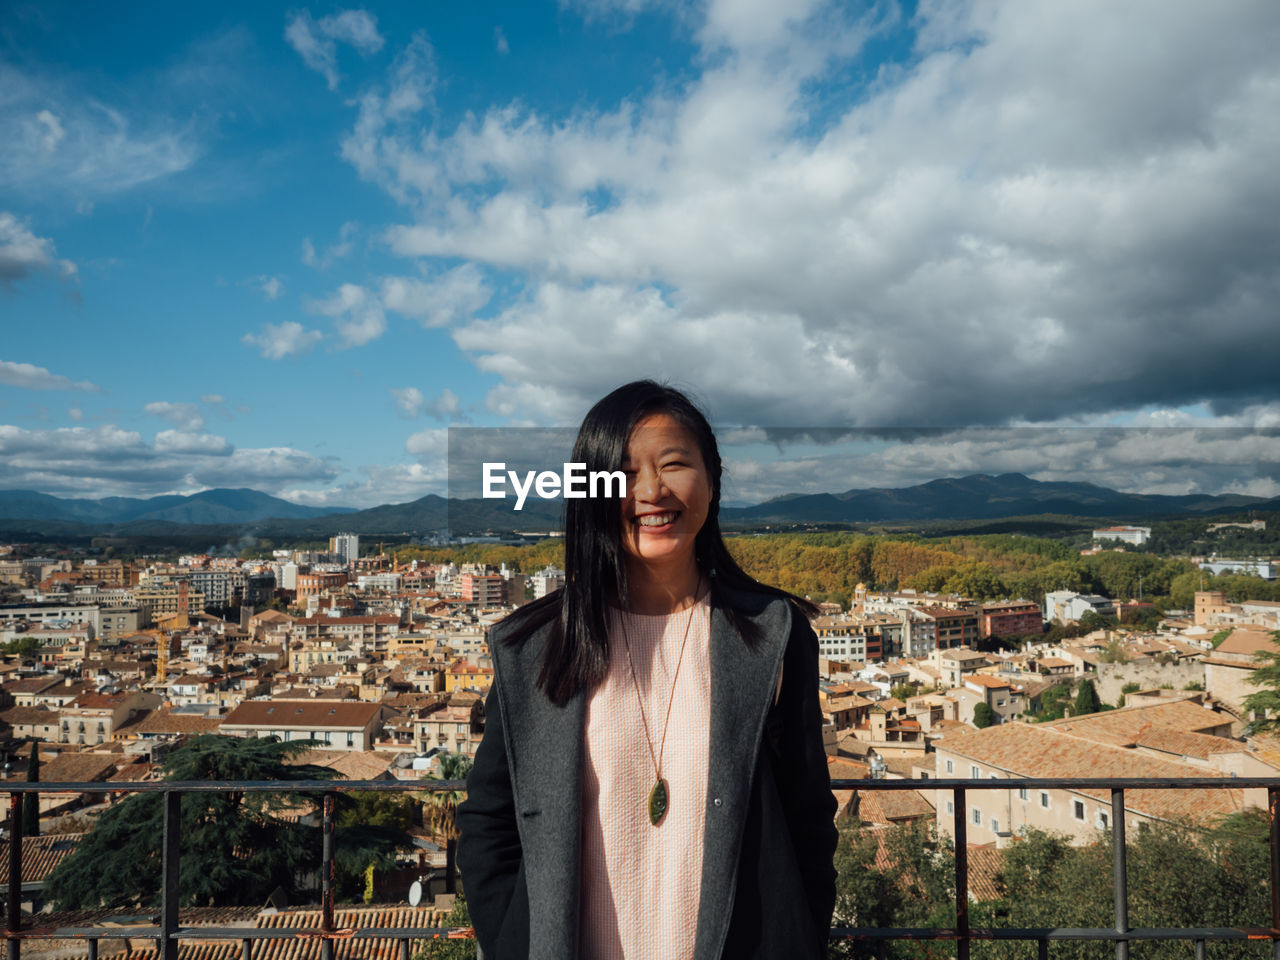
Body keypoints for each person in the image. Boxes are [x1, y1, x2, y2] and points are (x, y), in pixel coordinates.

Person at [456, 380, 838, 960]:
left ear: (711, 480)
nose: (651, 492)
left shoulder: (772, 636)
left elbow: (808, 820)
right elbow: (490, 823)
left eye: (675, 464)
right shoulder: (535, 647)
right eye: (624, 474)